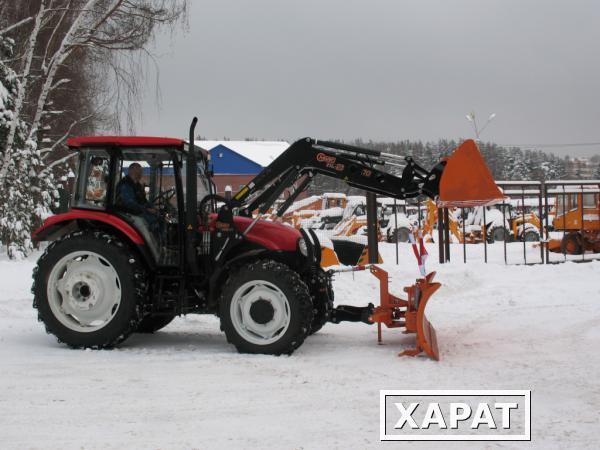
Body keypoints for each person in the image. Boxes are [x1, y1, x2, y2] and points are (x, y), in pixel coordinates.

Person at [117, 163, 159, 230]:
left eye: (141, 171)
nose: (141, 173)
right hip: (127, 212)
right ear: (132, 171)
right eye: (139, 171)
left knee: (159, 217)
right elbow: (130, 203)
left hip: (137, 211)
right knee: (153, 221)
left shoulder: (138, 185)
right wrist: (147, 209)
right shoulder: (125, 184)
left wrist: (152, 207)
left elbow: (143, 200)